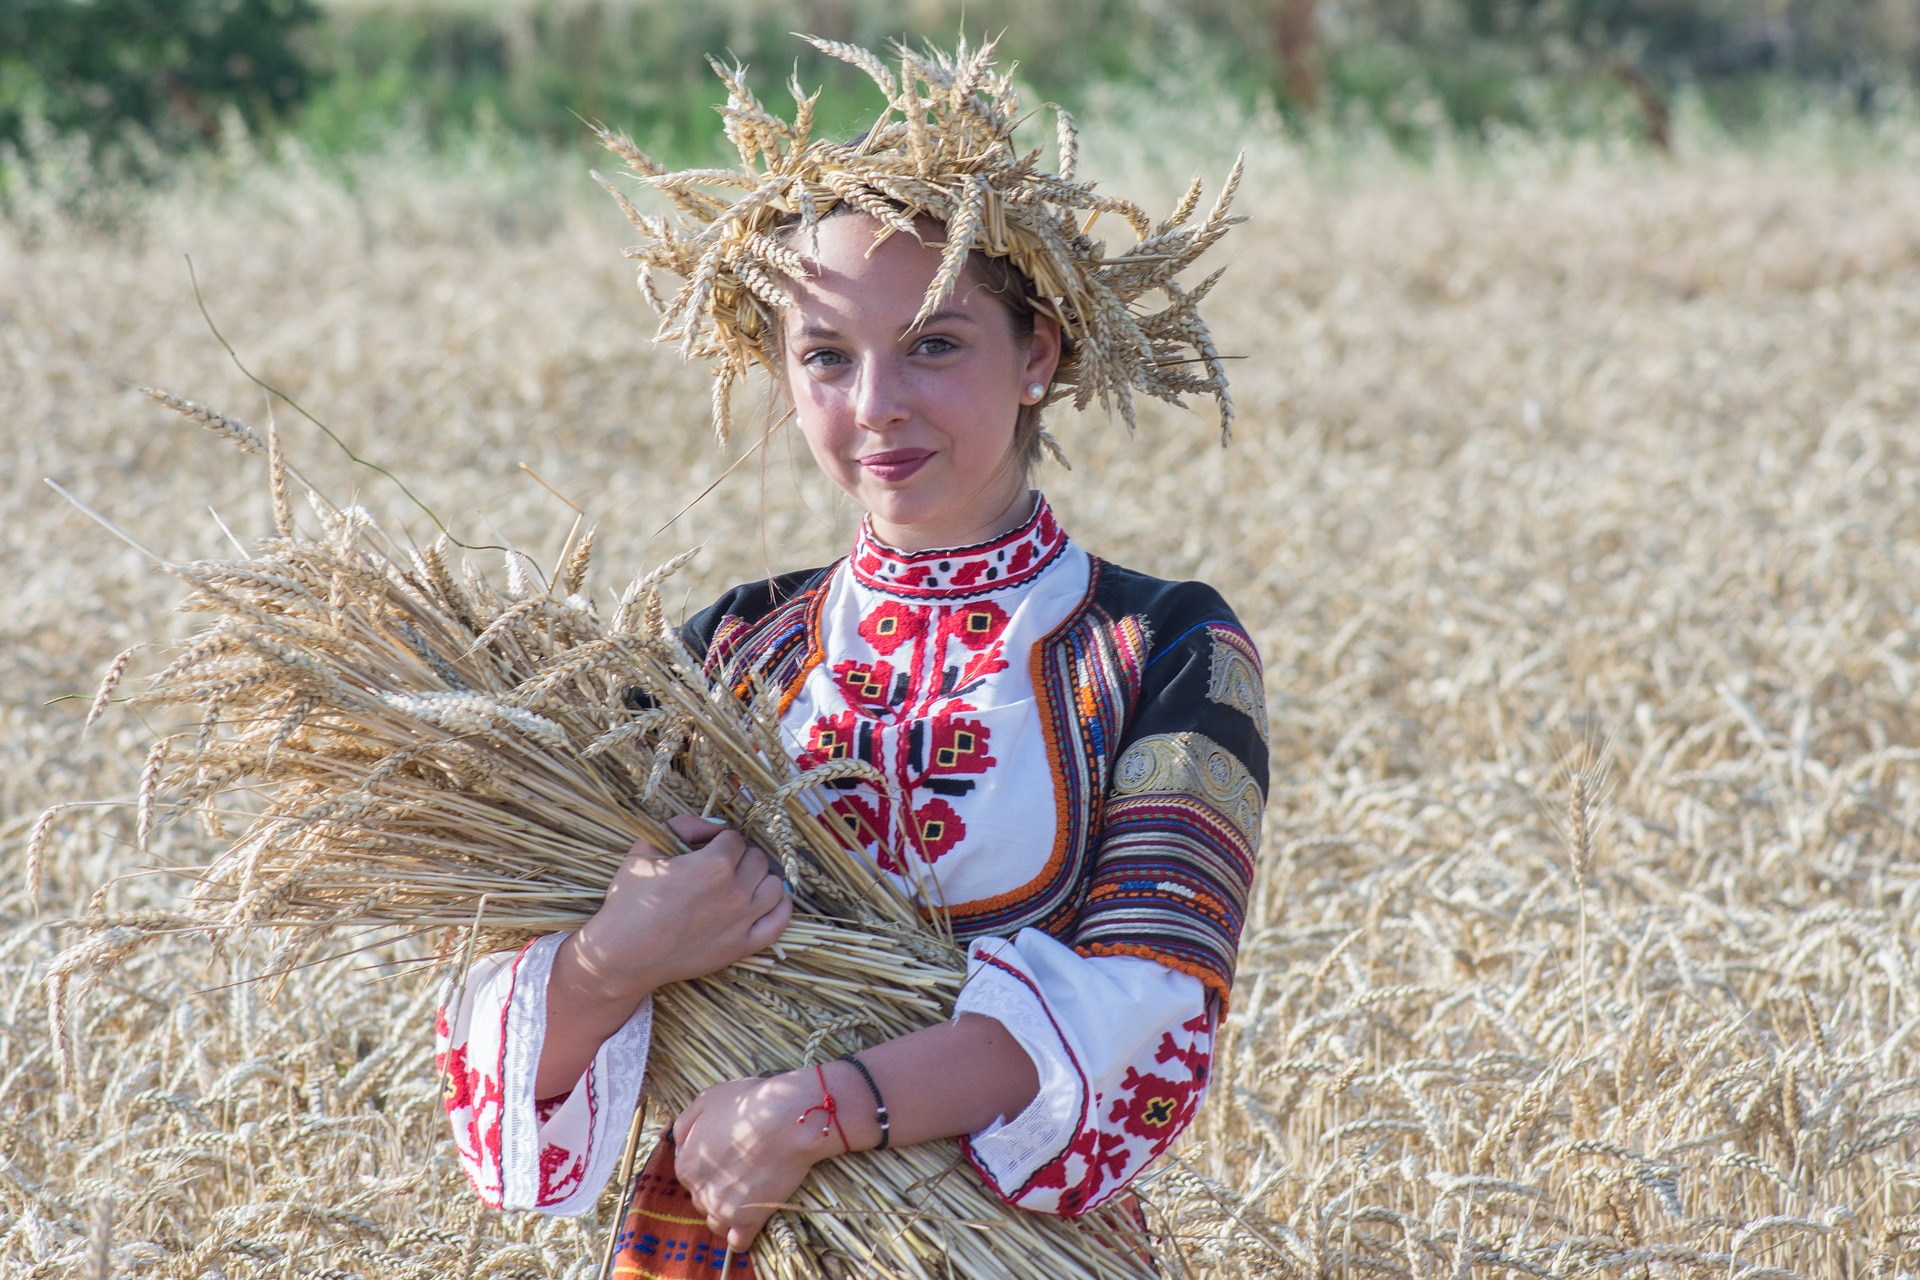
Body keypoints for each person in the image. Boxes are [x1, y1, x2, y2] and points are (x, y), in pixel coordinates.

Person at [436, 35, 1266, 1264]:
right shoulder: (719, 655)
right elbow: (507, 1053)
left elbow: (1149, 1012)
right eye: (826, 354)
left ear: (1037, 353)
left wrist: (813, 1113)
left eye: (934, 342)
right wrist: (618, 956)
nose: (876, 402)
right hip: (716, 1239)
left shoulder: (1160, 649)